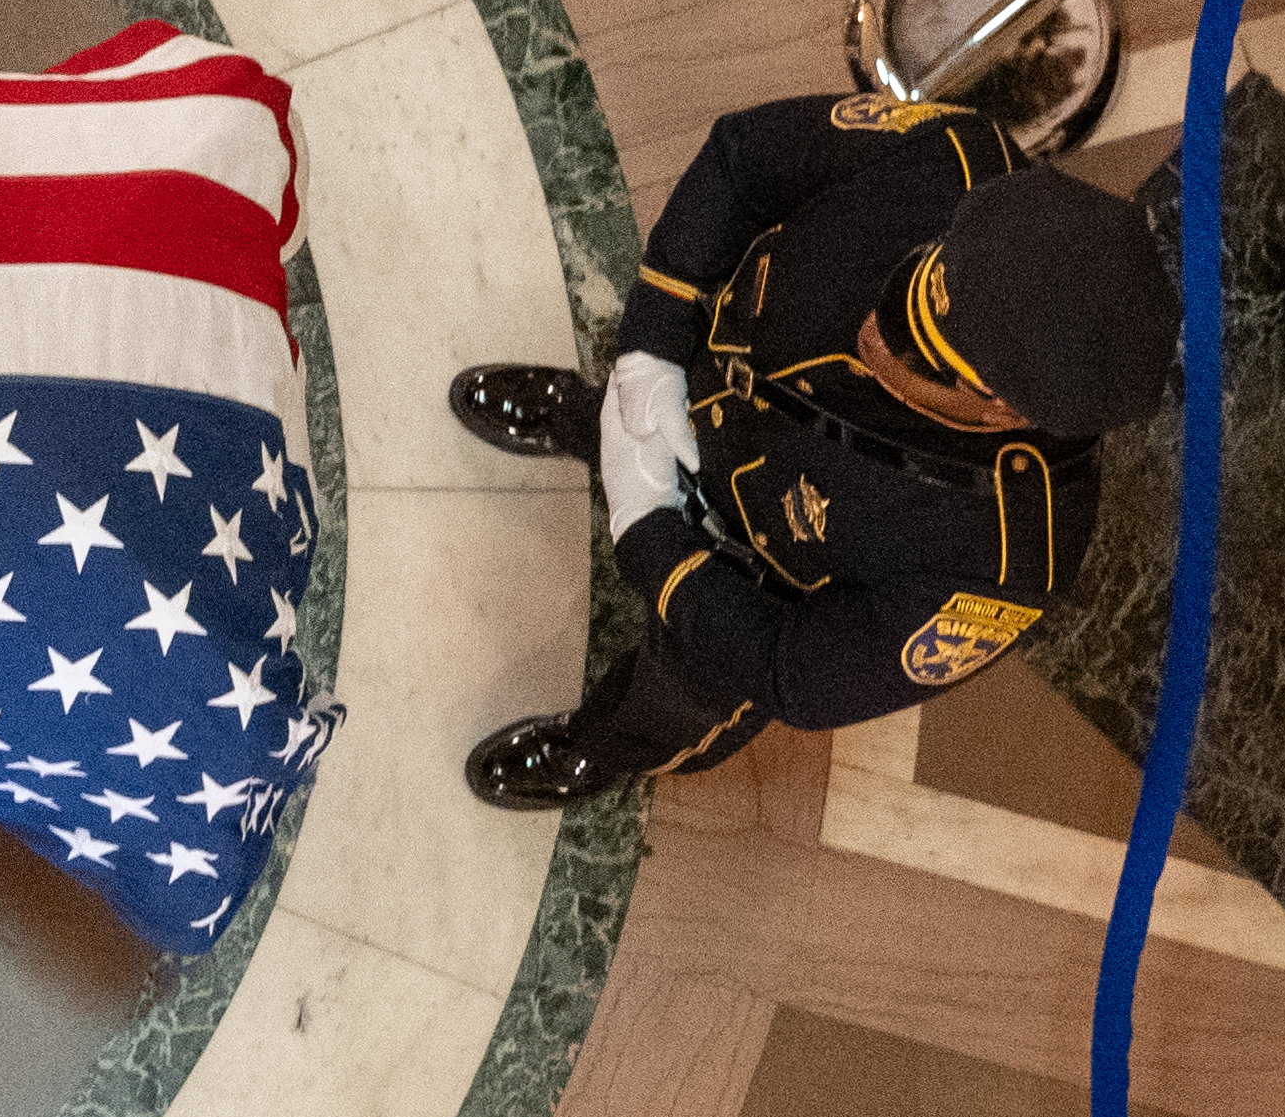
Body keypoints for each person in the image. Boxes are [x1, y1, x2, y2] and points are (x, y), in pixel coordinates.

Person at [447, 90, 1178, 805]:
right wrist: (651, 343)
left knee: (669, 700)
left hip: (736, 585)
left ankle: (596, 749)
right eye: (913, 284)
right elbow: (742, 159)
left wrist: (649, 539)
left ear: (1004, 414)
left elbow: (792, 672)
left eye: (920, 362)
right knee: (626, 405)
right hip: (697, 378)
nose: (872, 333)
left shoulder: (1006, 562)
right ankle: (584, 417)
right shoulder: (956, 153)